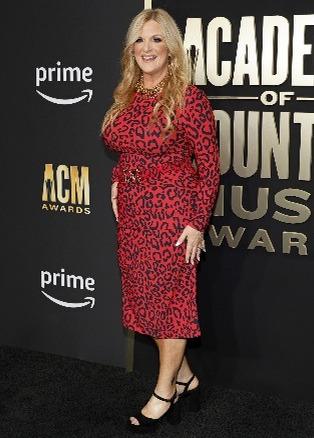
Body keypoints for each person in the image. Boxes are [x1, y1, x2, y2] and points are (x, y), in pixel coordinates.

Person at [101, 8, 220, 433]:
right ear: (131, 49)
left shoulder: (190, 98)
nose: (147, 48)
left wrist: (196, 223)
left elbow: (209, 168)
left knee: (170, 306)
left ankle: (164, 391)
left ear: (171, 47)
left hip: (173, 215)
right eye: (139, 40)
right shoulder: (127, 94)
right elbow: (126, 147)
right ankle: (186, 378)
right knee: (147, 303)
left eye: (156, 40)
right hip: (133, 215)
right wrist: (117, 179)